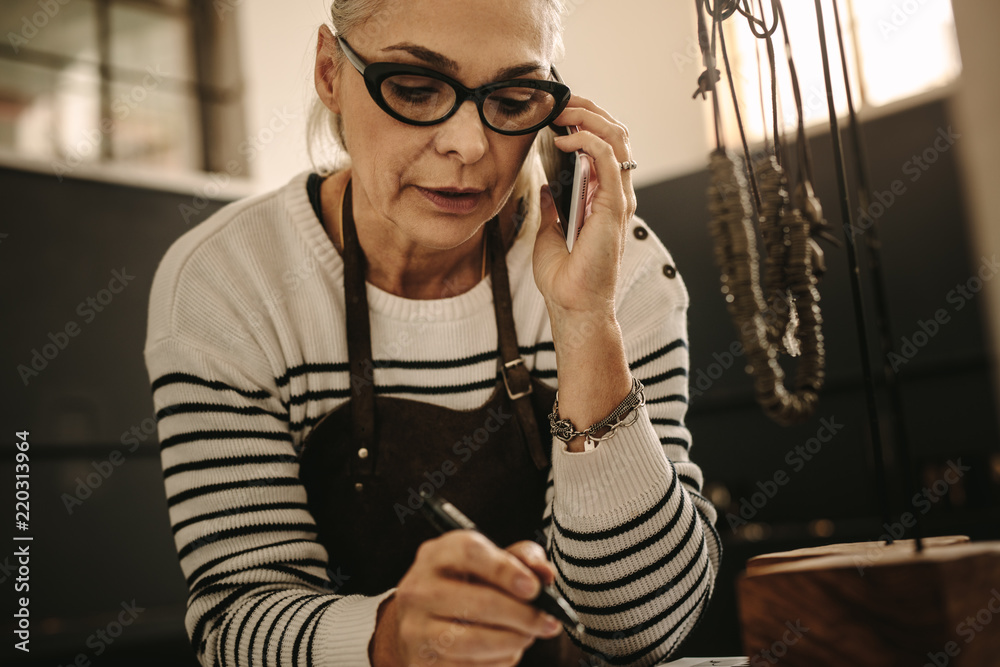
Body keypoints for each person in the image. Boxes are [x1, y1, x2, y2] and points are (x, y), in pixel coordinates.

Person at [143, 1, 721, 665]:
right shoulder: (227, 282)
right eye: (416, 90)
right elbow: (234, 623)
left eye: (511, 98)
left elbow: (641, 631)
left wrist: (586, 321)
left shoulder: (623, 269)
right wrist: (391, 639)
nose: (469, 145)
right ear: (330, 72)